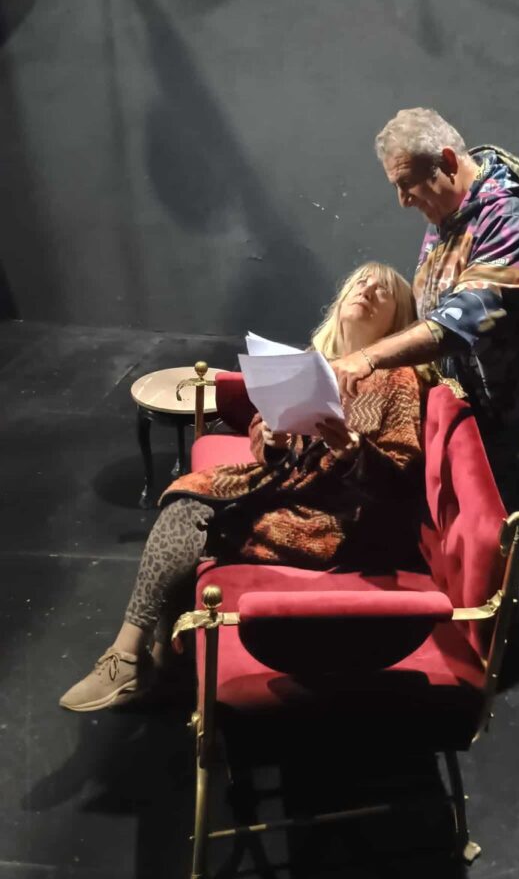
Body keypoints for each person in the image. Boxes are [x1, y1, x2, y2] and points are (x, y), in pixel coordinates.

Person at [59, 263, 426, 712]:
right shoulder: (315, 361)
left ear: (398, 319)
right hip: (285, 487)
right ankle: (150, 657)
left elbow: (402, 478)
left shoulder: (398, 379)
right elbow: (262, 427)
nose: (367, 290)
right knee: (190, 498)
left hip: (333, 517)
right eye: (361, 283)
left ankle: (136, 658)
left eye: (383, 290)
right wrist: (270, 439)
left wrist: (353, 452)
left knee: (198, 522)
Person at [332, 108, 519, 529]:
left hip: (516, 428)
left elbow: (461, 320)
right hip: (465, 414)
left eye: (407, 184)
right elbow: (435, 302)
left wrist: (368, 357)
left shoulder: (515, 221)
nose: (403, 200)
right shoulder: (447, 211)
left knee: (492, 546)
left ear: (447, 162)